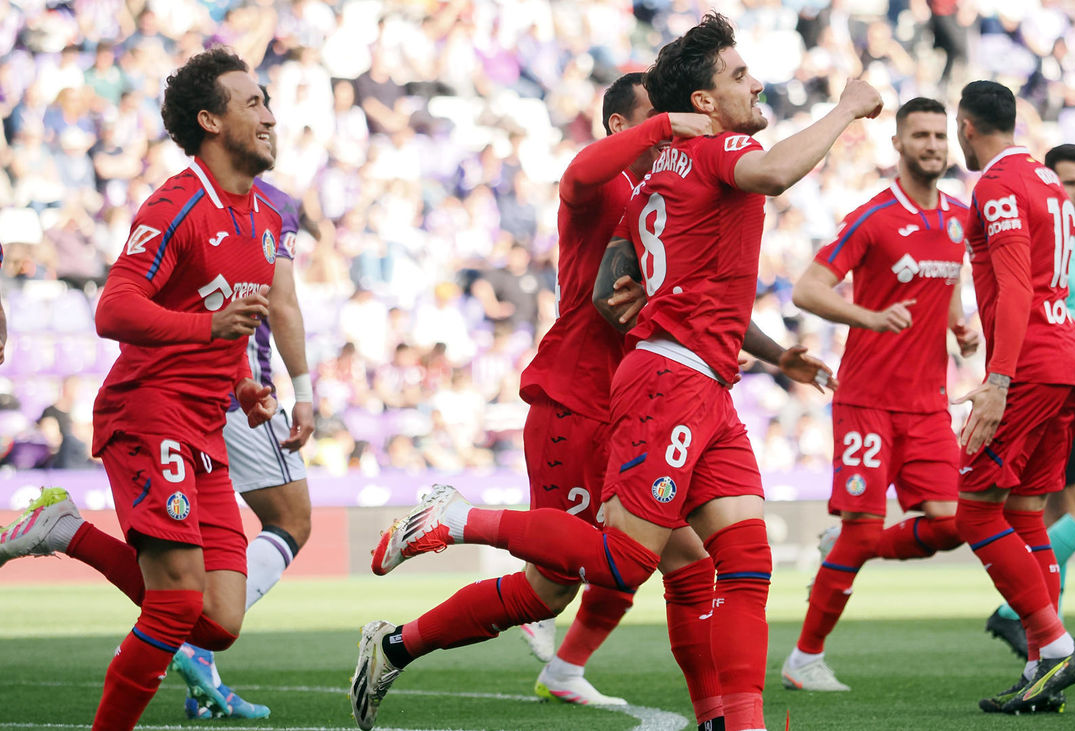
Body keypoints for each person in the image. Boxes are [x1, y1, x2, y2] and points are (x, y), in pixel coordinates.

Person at [350, 13, 881, 731]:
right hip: (605, 396)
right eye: (737, 76)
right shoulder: (663, 167)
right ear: (689, 109)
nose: (755, 83)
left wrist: (763, 349)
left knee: (731, 560)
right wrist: (845, 106)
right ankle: (452, 527)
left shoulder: (652, 193)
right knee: (598, 571)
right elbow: (769, 174)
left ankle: (727, 720)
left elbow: (617, 287)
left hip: (686, 383)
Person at [0, 48, 280, 728]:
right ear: (210, 121)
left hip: (206, 423)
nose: (269, 115)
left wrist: (243, 381)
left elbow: (220, 320)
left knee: (217, 621)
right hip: (149, 412)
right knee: (177, 605)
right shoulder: (177, 204)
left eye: (267, 100)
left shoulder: (263, 217)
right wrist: (210, 326)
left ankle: (66, 530)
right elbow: (113, 310)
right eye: (252, 103)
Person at [512, 72, 714, 712]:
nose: (672, 124)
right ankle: (453, 536)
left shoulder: (666, 194)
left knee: (658, 552)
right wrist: (666, 125)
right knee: (553, 583)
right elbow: (574, 175)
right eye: (655, 116)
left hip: (630, 403)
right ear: (620, 126)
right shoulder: (607, 187)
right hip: (574, 396)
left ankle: (567, 669)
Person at [780, 97, 979, 692]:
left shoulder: (957, 218)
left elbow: (948, 282)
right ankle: (804, 659)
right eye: (920, 135)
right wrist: (867, 317)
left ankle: (846, 543)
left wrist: (959, 327)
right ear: (897, 144)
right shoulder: (871, 217)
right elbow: (808, 290)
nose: (933, 145)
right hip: (867, 400)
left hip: (927, 405)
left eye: (940, 136)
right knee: (866, 530)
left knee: (953, 524)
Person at [950, 80, 1075, 714]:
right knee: (1027, 512)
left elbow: (1014, 289)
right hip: (1070, 365)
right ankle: (1043, 667)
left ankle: (1055, 645)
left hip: (1032, 366)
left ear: (965, 126)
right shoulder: (1047, 182)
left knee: (976, 513)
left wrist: (998, 380)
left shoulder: (998, 185)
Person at [171, 88, 318, 719]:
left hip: (183, 387)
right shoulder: (270, 204)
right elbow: (281, 304)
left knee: (202, 542)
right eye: (254, 105)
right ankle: (199, 647)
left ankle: (199, 673)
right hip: (237, 389)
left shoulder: (182, 196)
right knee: (293, 519)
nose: (269, 120)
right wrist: (303, 389)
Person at [984, 143, 1075, 666]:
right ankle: (1022, 618)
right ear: (1048, 185)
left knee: (1048, 516)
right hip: (1051, 381)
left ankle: (1047, 639)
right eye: (1069, 184)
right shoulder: (1044, 241)